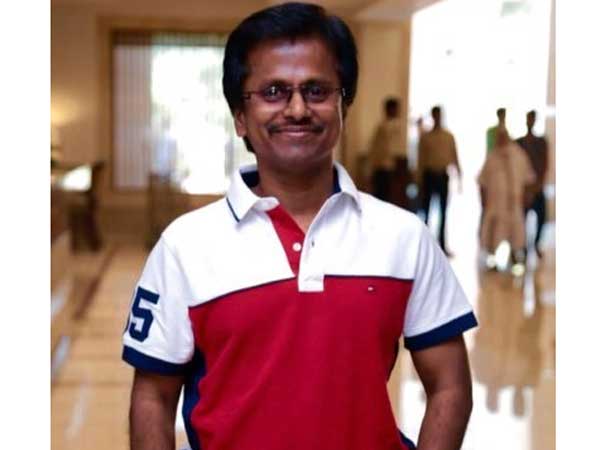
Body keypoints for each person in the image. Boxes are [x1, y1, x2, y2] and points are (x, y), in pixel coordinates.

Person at [123, 4, 477, 450]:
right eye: (273, 91)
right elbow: (153, 397)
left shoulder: (404, 237)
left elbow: (449, 384)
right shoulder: (185, 246)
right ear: (239, 117)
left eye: (316, 90)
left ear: (343, 106)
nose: (297, 108)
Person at [478, 128, 535, 272]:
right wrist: (483, 199)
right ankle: (492, 260)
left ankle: (515, 258)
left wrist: (527, 196)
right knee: (494, 234)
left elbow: (528, 178)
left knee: (516, 233)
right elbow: (482, 181)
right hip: (496, 203)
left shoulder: (518, 155)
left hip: (514, 203)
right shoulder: (492, 157)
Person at [417, 105, 462, 256]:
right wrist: (418, 180)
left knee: (443, 213)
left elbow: (454, 156)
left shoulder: (448, 136)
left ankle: (442, 246)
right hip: (429, 176)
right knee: (426, 212)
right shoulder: (426, 137)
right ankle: (424, 246)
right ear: (433, 116)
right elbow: (420, 160)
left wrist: (459, 177)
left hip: (442, 176)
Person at [516, 110, 549, 258]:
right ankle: (522, 247)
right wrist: (525, 189)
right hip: (523, 189)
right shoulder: (519, 143)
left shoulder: (541, 142)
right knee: (521, 220)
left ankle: (535, 244)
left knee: (542, 217)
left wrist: (536, 187)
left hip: (537, 188)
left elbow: (544, 165)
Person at [367, 97, 405, 202]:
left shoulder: (398, 127)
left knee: (390, 198)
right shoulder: (381, 127)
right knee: (381, 197)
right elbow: (375, 149)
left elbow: (399, 150)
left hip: (393, 168)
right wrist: (371, 169)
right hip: (381, 168)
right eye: (393, 109)